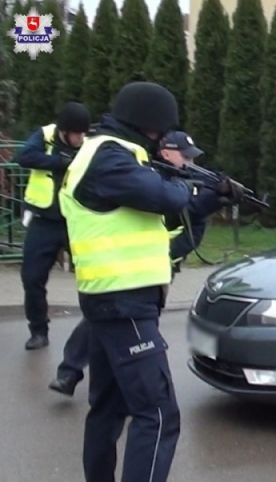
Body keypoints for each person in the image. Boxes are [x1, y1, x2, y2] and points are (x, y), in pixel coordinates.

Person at [57, 81, 237, 482]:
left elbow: (164, 221)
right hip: (125, 305)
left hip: (113, 302)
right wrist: (185, 183)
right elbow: (168, 197)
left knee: (108, 409)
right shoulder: (110, 158)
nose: (160, 141)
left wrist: (209, 199)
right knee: (158, 415)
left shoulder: (111, 157)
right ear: (147, 124)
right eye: (159, 132)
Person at [47, 130, 237, 396]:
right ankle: (71, 371)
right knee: (107, 326)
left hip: (158, 265)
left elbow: (191, 224)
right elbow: (169, 208)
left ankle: (93, 376)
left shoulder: (184, 179)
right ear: (166, 152)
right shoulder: (148, 174)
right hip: (132, 266)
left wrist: (216, 198)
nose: (189, 162)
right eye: (185, 156)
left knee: (123, 330)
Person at [17, 102, 91, 350]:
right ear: (63, 131)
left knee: (93, 278)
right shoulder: (44, 135)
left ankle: (98, 329)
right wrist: (60, 161)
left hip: (76, 222)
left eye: (83, 133)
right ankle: (38, 330)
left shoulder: (89, 144)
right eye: (75, 134)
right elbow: (24, 157)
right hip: (44, 222)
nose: (80, 138)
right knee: (32, 277)